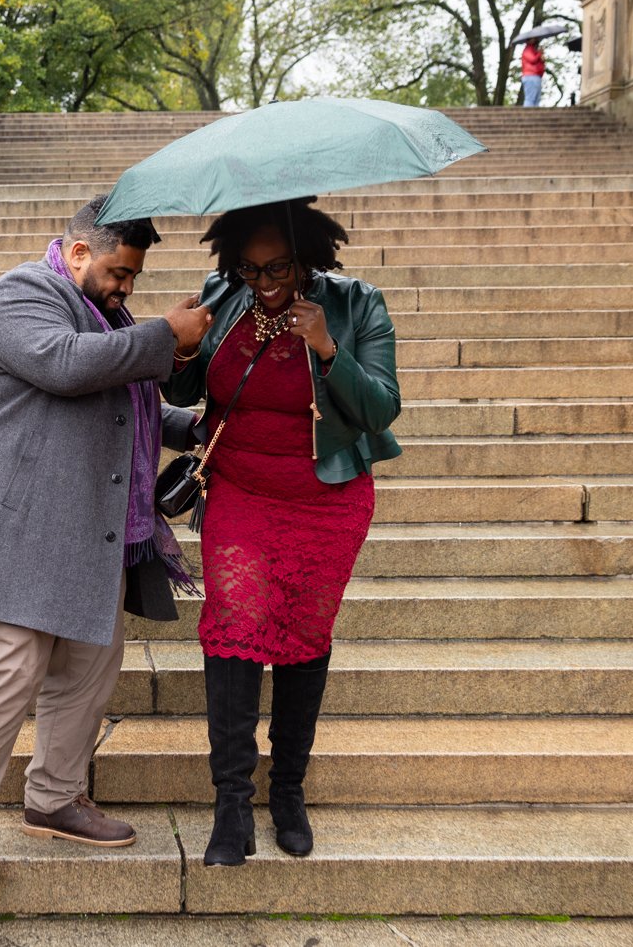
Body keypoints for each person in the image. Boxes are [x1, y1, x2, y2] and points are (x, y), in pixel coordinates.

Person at [0, 194, 215, 918]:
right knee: (10, 670)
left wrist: (195, 424)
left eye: (134, 279)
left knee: (91, 663)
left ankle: (54, 798)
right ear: (80, 251)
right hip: (18, 522)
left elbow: (128, 404)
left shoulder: (108, 317)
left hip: (88, 523)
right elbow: (65, 365)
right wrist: (161, 334)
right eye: (119, 272)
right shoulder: (21, 292)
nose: (125, 288)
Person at [163, 197, 401, 867]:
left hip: (324, 499)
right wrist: (179, 349)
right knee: (234, 628)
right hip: (238, 490)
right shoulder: (224, 295)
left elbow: (382, 407)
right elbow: (185, 393)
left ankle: (288, 790)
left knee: (302, 635)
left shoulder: (357, 304)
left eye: (279, 270)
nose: (265, 285)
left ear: (309, 258)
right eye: (251, 270)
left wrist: (327, 348)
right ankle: (231, 805)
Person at [521, 39, 546, 106]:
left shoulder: (534, 51)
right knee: (530, 99)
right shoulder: (527, 50)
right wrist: (539, 53)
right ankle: (527, 115)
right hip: (530, 76)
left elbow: (538, 63)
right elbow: (532, 59)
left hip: (537, 76)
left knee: (537, 99)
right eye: (533, 39)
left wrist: (542, 58)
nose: (535, 40)